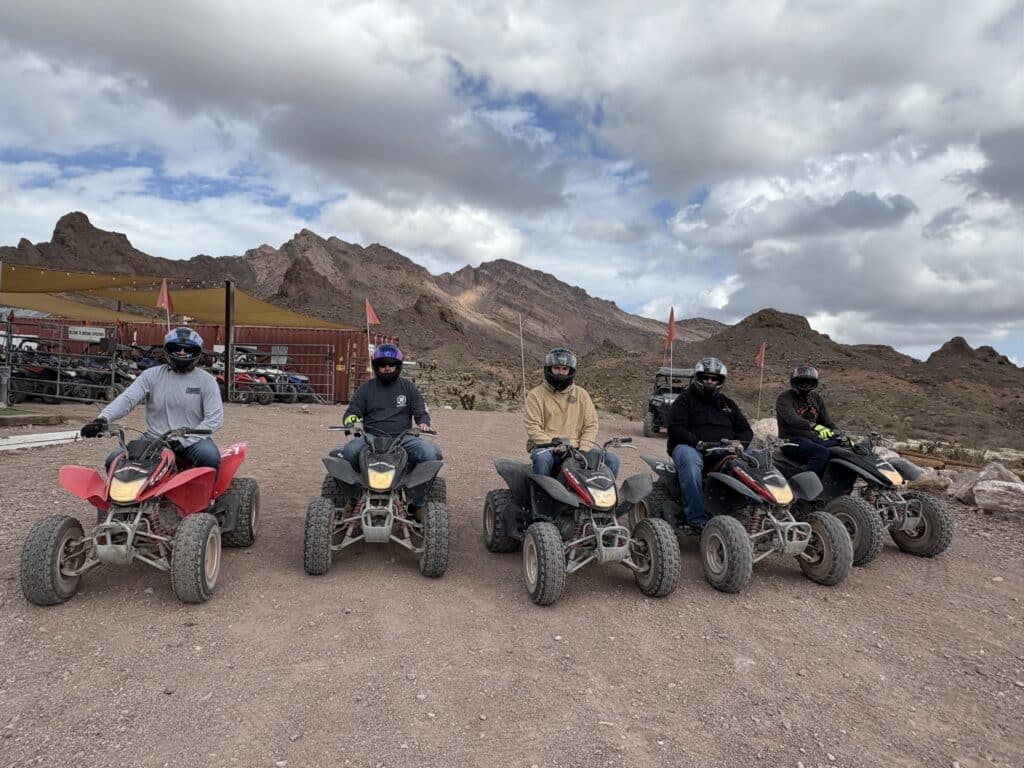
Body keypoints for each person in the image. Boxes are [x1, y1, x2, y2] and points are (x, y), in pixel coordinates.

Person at [80, 327, 224, 475]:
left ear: (197, 352)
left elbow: (215, 419)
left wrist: (185, 441)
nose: (182, 352)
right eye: (176, 348)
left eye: (188, 349)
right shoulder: (150, 375)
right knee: (113, 460)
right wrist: (103, 418)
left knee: (210, 457)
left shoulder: (206, 380)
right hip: (155, 438)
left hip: (193, 439)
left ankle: (204, 497)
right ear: (167, 349)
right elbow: (128, 399)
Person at [336, 343, 439, 509]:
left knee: (430, 454)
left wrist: (423, 423)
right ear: (376, 366)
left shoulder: (409, 388)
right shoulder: (366, 389)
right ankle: (353, 499)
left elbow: (421, 411)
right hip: (371, 438)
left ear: (398, 366)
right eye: (382, 364)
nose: (387, 368)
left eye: (391, 364)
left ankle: (418, 504)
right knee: (348, 451)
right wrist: (352, 421)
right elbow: (351, 412)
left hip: (403, 437)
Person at [666, 357, 753, 532]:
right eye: (706, 377)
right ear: (698, 377)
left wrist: (740, 444)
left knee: (755, 458)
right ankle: (697, 519)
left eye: (714, 378)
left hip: (725, 448)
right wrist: (697, 443)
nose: (710, 381)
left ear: (720, 381)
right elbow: (675, 428)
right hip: (693, 447)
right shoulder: (685, 399)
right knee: (690, 461)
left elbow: (746, 430)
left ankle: (755, 510)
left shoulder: (728, 403)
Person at [524, 347, 620, 478]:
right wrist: (553, 443)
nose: (560, 373)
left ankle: (603, 498)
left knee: (612, 460)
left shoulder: (581, 395)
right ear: (549, 369)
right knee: (542, 459)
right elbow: (533, 427)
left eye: (564, 369)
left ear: (570, 370)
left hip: (577, 448)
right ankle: (540, 496)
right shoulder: (535, 395)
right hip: (549, 448)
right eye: (556, 368)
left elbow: (591, 424)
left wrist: (584, 448)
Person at [776, 363, 842, 477]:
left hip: (813, 439)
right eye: (801, 381)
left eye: (809, 381)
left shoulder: (816, 398)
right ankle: (808, 487)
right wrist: (815, 426)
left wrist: (840, 434)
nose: (805, 384)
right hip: (790, 440)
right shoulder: (784, 398)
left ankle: (837, 483)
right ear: (794, 381)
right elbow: (792, 419)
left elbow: (827, 422)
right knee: (820, 453)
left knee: (842, 447)